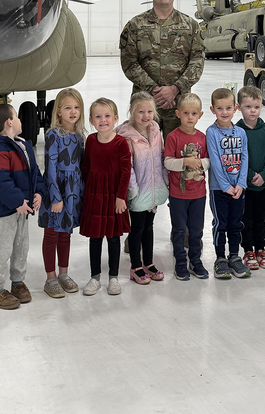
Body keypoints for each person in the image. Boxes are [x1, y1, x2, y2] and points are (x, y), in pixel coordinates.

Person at [120, 0, 205, 136]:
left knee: (178, 154)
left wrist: (174, 89)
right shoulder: (135, 25)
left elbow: (197, 63)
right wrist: (154, 90)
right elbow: (129, 63)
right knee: (143, 153)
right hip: (145, 105)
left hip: (180, 106)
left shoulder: (191, 26)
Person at [0, 103, 44, 310]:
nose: (20, 121)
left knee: (21, 247)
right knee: (3, 249)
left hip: (22, 209)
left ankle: (17, 282)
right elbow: (0, 182)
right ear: (9, 122)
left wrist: (39, 192)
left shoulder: (23, 145)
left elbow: (35, 174)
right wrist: (18, 201)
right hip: (5, 211)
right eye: (17, 117)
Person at [79, 98, 131, 296]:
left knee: (113, 237)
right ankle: (95, 277)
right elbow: (86, 166)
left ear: (116, 118)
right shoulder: (91, 140)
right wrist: (87, 191)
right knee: (95, 238)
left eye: (107, 116)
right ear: (91, 120)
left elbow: (126, 171)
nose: (103, 120)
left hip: (113, 196)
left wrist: (120, 197)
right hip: (94, 195)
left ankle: (114, 278)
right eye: (98, 116)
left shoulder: (121, 143)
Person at [38, 87, 86, 299]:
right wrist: (55, 197)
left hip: (73, 192)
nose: (73, 112)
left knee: (65, 234)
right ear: (58, 111)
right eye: (67, 108)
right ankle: (50, 278)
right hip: (55, 190)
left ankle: (64, 274)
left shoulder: (81, 136)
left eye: (76, 107)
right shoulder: (53, 135)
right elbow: (50, 167)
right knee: (51, 234)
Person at [117, 91, 169, 285]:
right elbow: (127, 167)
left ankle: (149, 262)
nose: (145, 116)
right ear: (132, 111)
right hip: (138, 191)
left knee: (149, 226)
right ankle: (136, 266)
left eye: (149, 111)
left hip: (154, 190)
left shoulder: (155, 130)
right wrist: (133, 191)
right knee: (137, 228)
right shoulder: (126, 137)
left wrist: (165, 183)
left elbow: (162, 157)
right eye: (141, 111)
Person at [164, 92, 209, 280]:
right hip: (178, 195)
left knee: (196, 229)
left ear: (200, 115)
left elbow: (208, 160)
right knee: (179, 229)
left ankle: (195, 261)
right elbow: (167, 162)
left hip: (198, 194)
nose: (189, 117)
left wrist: (201, 164)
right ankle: (180, 262)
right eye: (185, 113)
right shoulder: (173, 137)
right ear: (177, 114)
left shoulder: (202, 137)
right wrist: (184, 162)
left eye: (194, 113)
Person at [206, 87, 250, 280]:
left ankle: (234, 256)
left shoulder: (240, 132)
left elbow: (245, 158)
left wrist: (241, 184)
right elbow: (214, 161)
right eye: (219, 108)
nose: (224, 112)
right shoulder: (212, 132)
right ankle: (220, 258)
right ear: (212, 109)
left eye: (228, 108)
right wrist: (225, 186)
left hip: (238, 189)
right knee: (220, 224)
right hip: (219, 189)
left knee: (235, 223)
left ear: (236, 108)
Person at [235, 85, 265, 271]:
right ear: (239, 107)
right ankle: (248, 249)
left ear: (261, 107)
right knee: (246, 219)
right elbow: (237, 157)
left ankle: (260, 248)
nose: (252, 110)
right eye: (248, 106)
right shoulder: (236, 131)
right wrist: (250, 176)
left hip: (263, 185)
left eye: (256, 107)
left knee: (261, 219)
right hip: (245, 185)